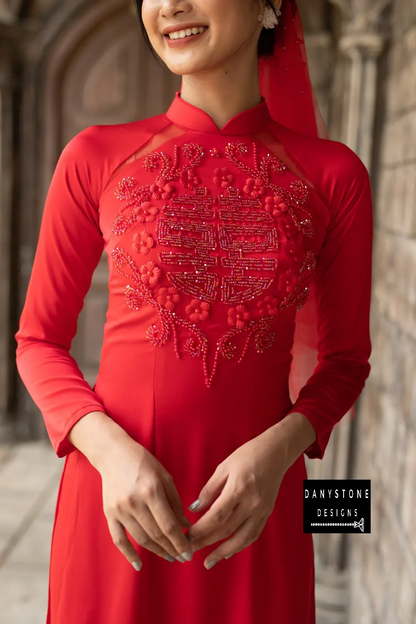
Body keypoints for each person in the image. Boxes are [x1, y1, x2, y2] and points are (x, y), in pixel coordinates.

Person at [14, 0, 373, 623]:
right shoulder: (94, 156)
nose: (169, 6)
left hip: (257, 508)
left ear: (267, 6)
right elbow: (36, 342)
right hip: (118, 503)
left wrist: (280, 452)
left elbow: (345, 361)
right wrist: (110, 453)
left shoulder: (334, 174)